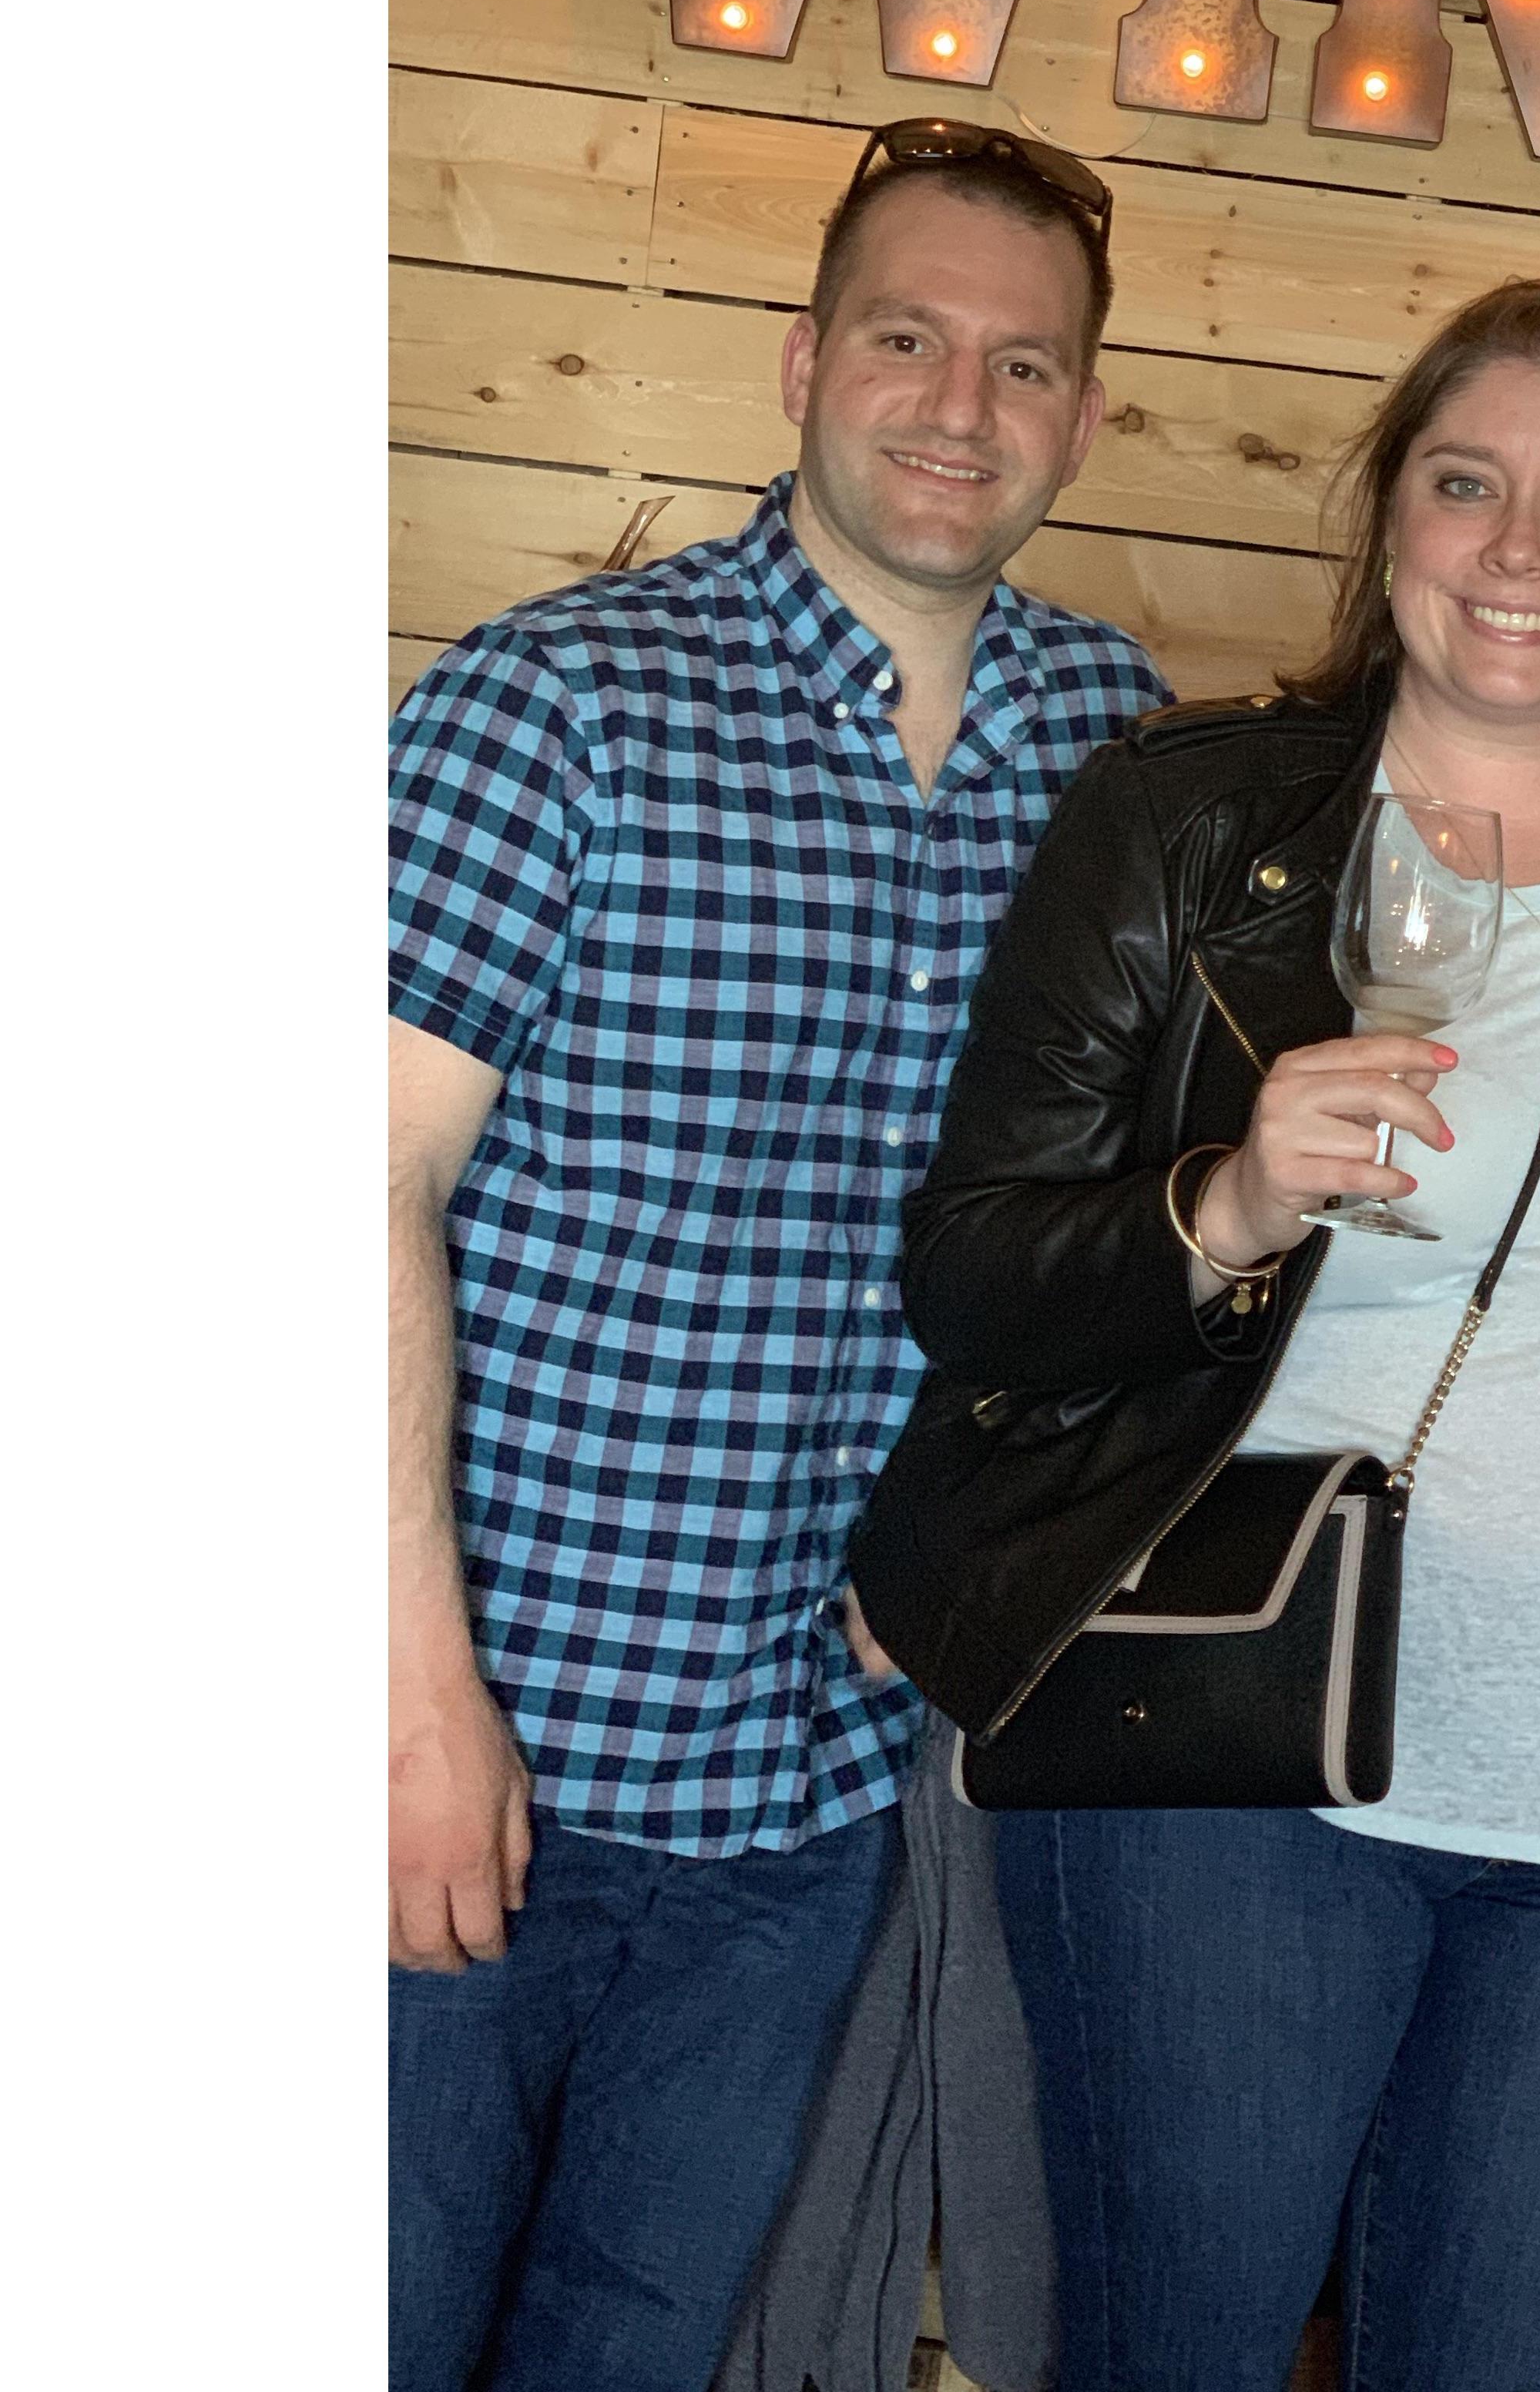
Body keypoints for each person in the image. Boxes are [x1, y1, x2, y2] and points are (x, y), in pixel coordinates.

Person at [848, 279, 1540, 2392]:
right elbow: (974, 1267)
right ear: (1389, 518)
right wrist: (1224, 1204)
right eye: (1466, 485)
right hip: (1224, 1759)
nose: (1521, 549)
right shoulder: (1193, 818)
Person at [386, 119, 1166, 2392]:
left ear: (1084, 420)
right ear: (807, 362)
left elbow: (1131, 1244)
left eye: (1025, 365)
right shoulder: (558, 706)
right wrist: (402, 1698)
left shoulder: (1115, 748)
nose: (960, 406)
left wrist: (993, 1553)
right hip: (483, 1748)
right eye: (908, 341)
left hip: (809, 1790)